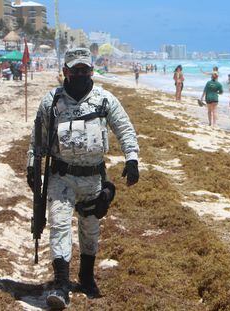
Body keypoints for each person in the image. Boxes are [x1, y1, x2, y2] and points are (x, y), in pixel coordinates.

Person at [26, 48, 140, 309]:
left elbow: (125, 129)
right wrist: (32, 166)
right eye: (75, 70)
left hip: (93, 179)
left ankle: (86, 278)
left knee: (90, 229)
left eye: (85, 70)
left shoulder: (104, 100)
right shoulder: (51, 102)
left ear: (91, 71)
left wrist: (132, 159)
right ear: (65, 71)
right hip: (61, 177)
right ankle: (61, 284)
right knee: (59, 225)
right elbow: (37, 141)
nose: (80, 74)